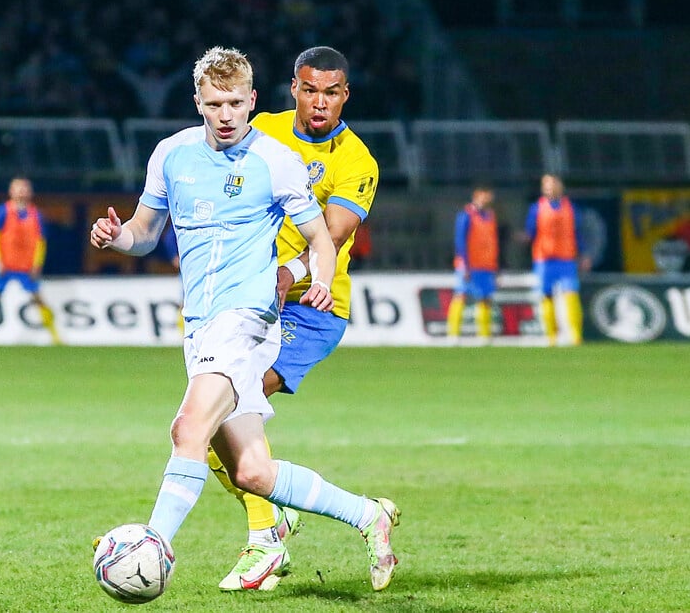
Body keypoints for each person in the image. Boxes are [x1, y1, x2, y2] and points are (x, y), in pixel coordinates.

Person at [90, 46, 400, 597]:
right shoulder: (171, 154)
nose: (226, 113)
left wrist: (318, 276)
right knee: (252, 471)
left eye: (236, 102)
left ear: (252, 101)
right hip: (200, 322)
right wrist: (119, 238)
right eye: (215, 103)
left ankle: (150, 546)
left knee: (189, 428)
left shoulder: (275, 160)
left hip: (250, 316)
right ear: (199, 103)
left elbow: (324, 235)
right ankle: (366, 515)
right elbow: (144, 232)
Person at [206, 45, 382, 591]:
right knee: (206, 424)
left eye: (332, 91)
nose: (320, 101)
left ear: (345, 94)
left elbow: (332, 235)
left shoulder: (357, 162)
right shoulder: (264, 130)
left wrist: (288, 273)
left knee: (228, 401)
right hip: (250, 301)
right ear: (294, 89)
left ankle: (268, 535)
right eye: (310, 89)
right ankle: (274, 519)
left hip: (310, 308)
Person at [0, 177, 60, 345]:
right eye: (18, 188)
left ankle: (56, 338)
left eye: (25, 188)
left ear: (31, 192)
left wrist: (37, 264)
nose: (22, 192)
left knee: (39, 299)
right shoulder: (2, 212)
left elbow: (40, 242)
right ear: (11, 191)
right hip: (5, 266)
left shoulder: (35, 214)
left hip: (26, 267)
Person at [524, 173, 591, 346]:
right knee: (547, 296)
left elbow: (578, 233)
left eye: (552, 184)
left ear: (560, 186)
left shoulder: (570, 207)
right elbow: (530, 232)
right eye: (545, 184)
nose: (549, 188)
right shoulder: (536, 208)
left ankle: (576, 336)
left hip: (566, 259)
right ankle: (551, 337)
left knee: (571, 294)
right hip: (544, 259)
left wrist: (583, 254)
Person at [447, 185, 498, 343]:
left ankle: (484, 334)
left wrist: (495, 266)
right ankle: (453, 334)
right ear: (476, 196)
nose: (485, 199)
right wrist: (465, 265)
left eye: (488, 196)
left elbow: (493, 242)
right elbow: (460, 241)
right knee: (461, 295)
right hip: (469, 265)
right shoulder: (466, 216)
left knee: (485, 298)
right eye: (483, 195)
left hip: (486, 265)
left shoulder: (490, 216)